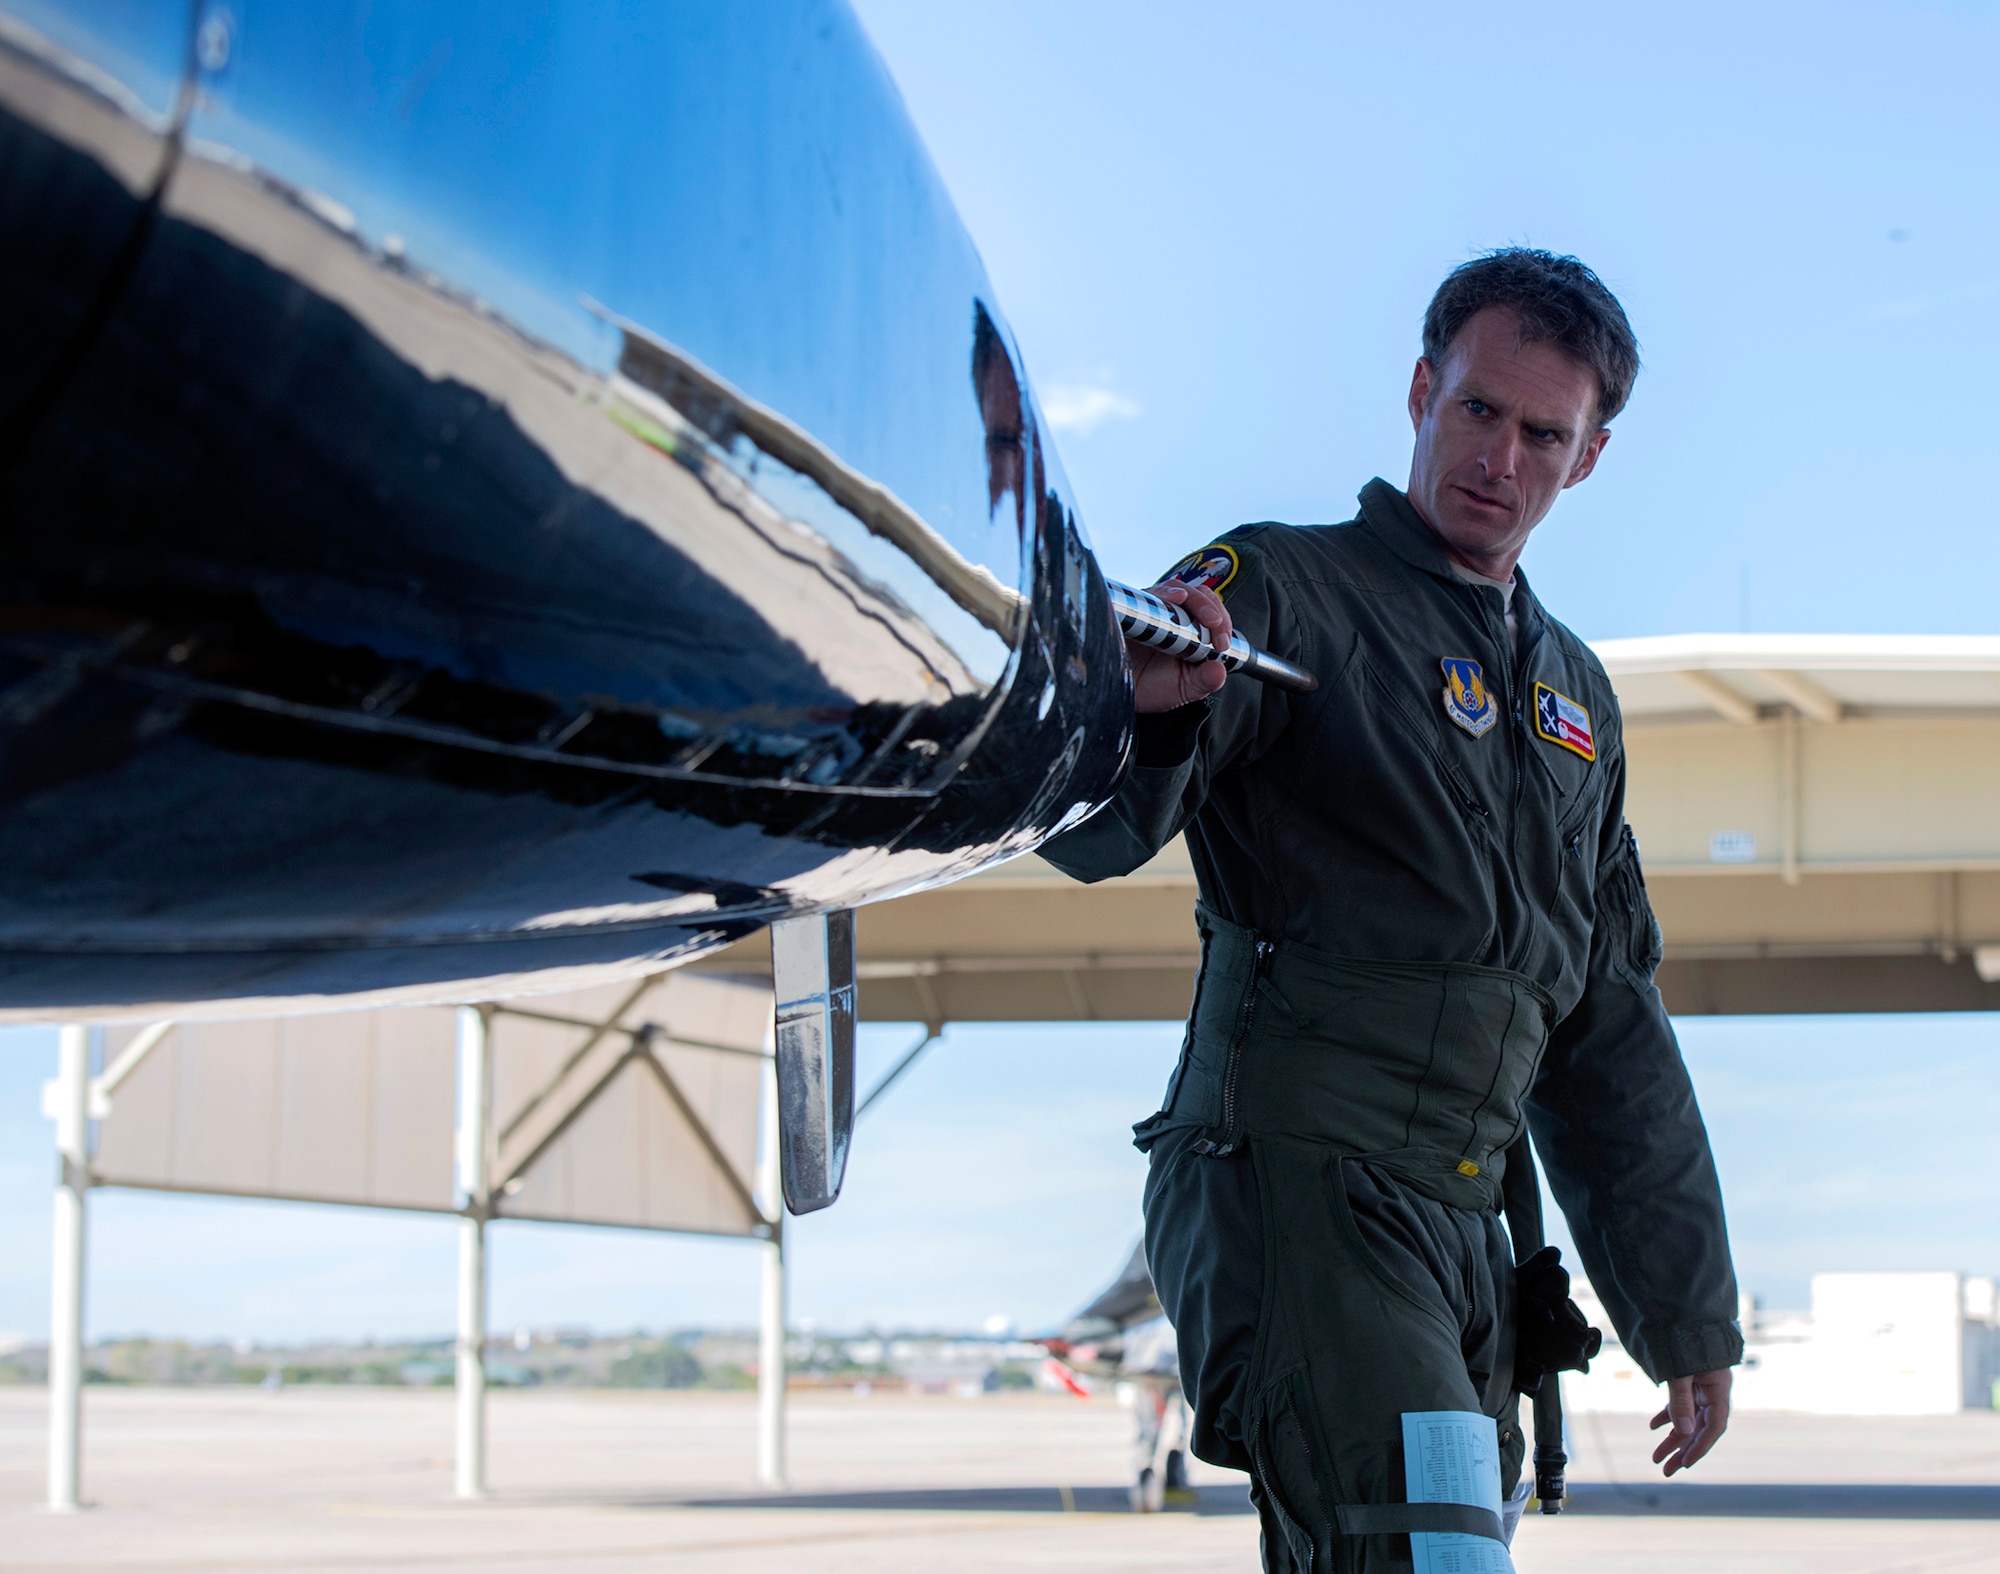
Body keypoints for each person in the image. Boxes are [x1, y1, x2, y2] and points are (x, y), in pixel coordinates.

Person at [1041, 249, 1740, 1571]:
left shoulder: (1574, 699)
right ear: (1422, 391)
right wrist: (1130, 714)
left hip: (1469, 1221)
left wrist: (1686, 1309)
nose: (1502, 455)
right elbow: (1100, 828)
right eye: (1479, 408)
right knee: (1419, 1556)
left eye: (1546, 432)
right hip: (1307, 1181)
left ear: (1587, 458)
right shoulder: (1281, 591)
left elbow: (1607, 1027)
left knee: (1441, 1546)